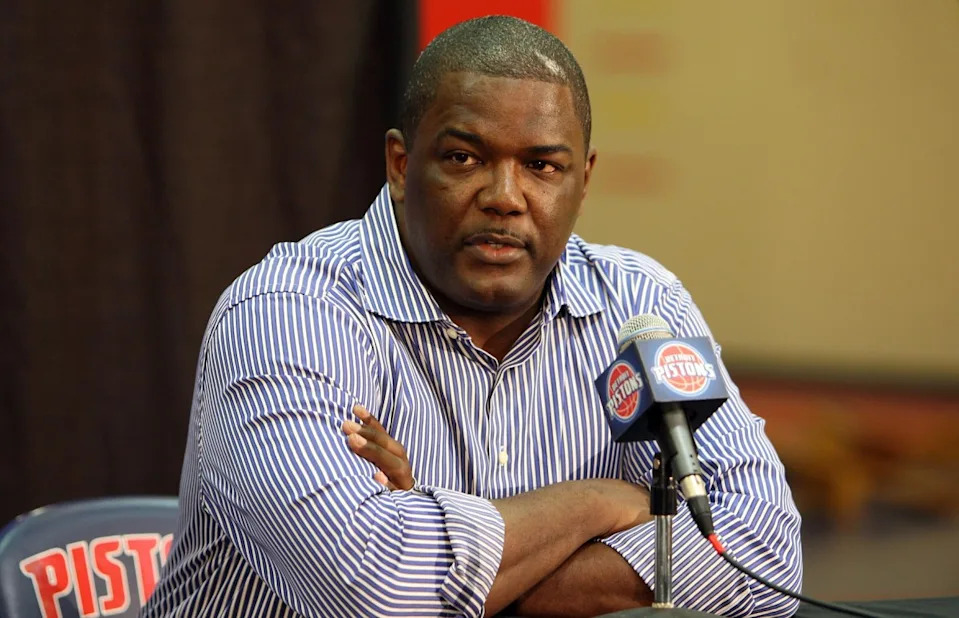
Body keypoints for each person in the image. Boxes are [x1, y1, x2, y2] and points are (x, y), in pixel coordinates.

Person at [143, 15, 801, 618]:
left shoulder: (641, 305)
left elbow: (760, 556)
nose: (504, 197)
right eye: (464, 158)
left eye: (541, 166)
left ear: (583, 180)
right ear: (401, 165)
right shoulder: (289, 313)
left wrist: (470, 580)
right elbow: (373, 589)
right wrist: (593, 504)